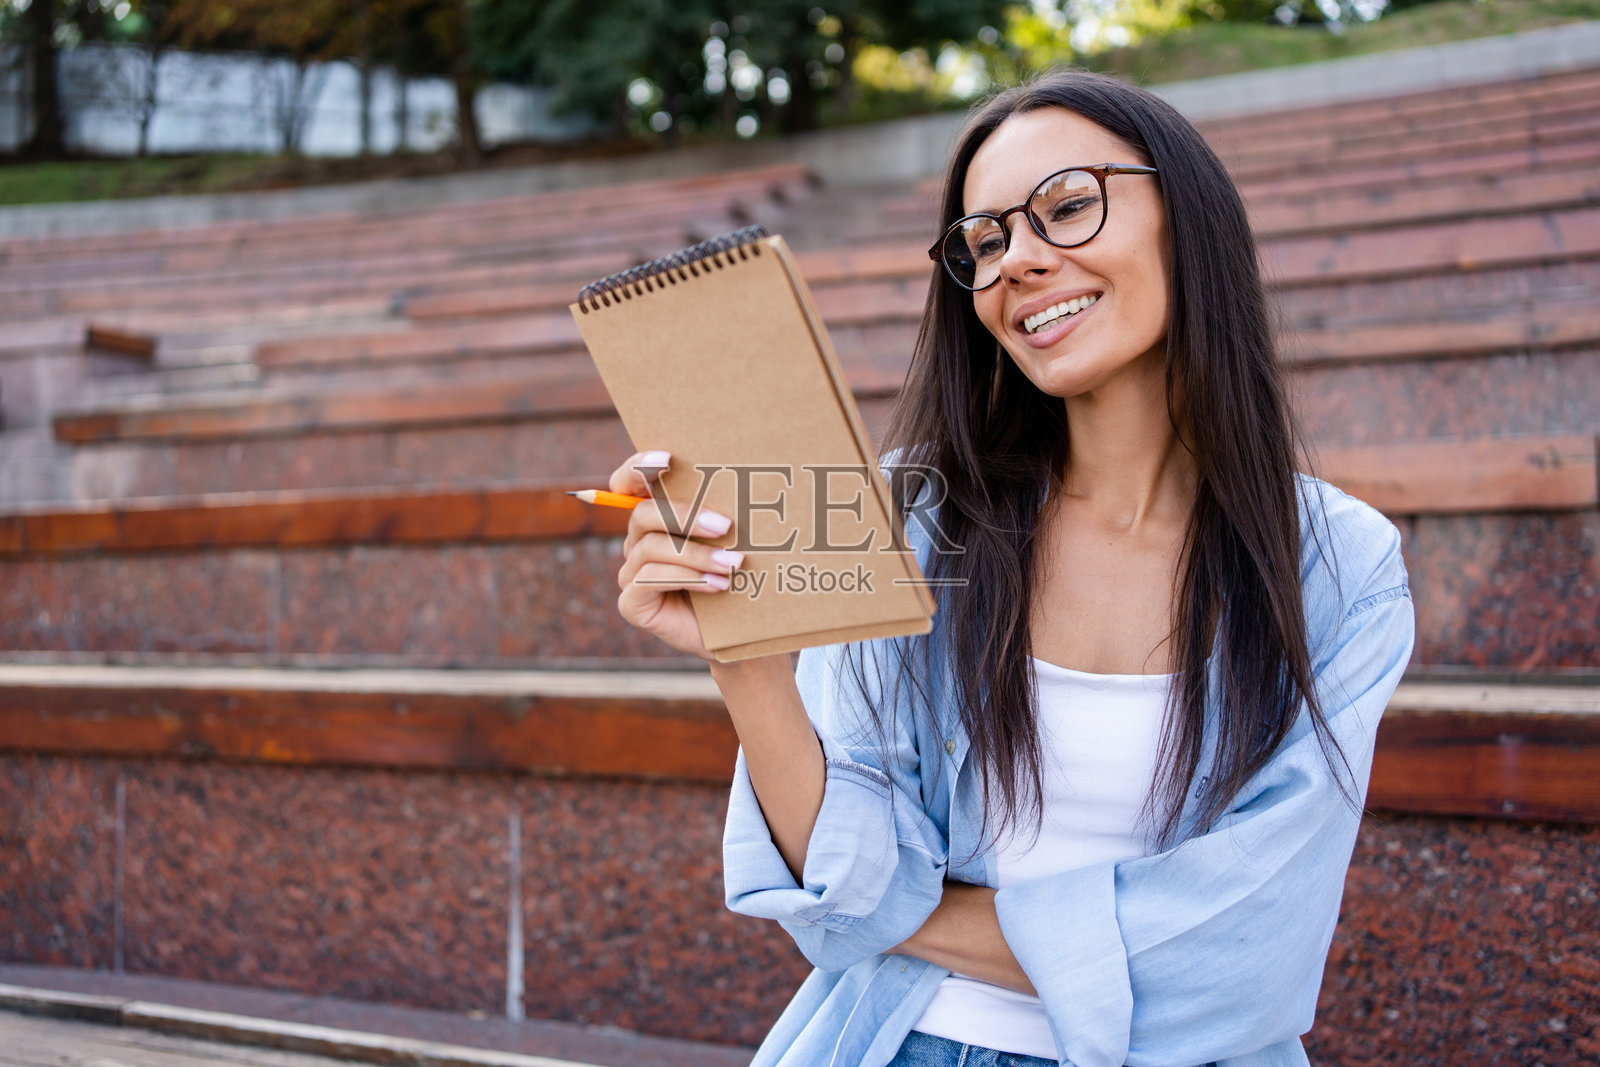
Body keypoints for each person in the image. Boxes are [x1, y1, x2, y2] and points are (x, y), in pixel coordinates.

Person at [604, 69, 1414, 1067]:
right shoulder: (913, 515)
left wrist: (892, 906)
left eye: (1066, 207)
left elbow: (1244, 952)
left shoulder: (1339, 563)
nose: (1014, 263)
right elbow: (826, 874)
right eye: (982, 242)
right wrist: (745, 658)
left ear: (1187, 217)